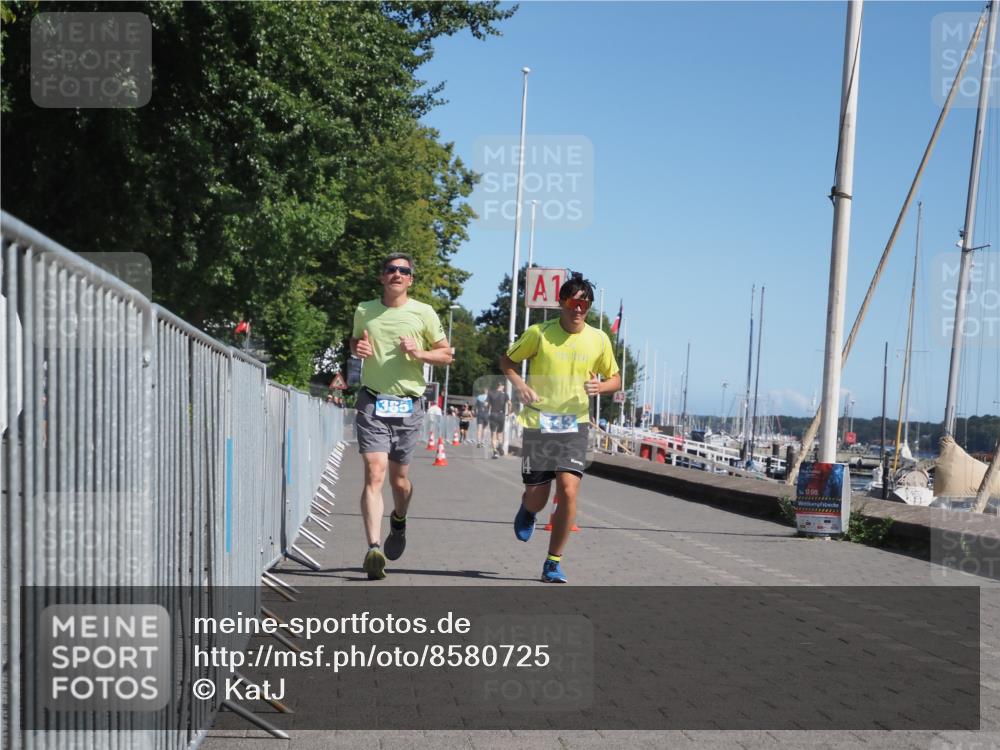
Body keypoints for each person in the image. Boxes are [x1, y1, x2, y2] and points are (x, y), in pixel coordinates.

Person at [499, 273, 620, 583]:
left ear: (589, 306)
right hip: (540, 424)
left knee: (568, 490)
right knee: (537, 497)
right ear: (561, 303)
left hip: (574, 425)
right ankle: (528, 510)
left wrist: (601, 386)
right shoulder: (539, 334)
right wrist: (522, 387)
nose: (578, 308)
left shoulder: (599, 339)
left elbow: (616, 379)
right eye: (572, 301)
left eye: (584, 303)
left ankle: (553, 562)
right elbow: (507, 362)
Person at [350, 252, 453, 580]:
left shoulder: (423, 312)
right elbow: (355, 341)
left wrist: (419, 352)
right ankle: (373, 549)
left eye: (403, 271)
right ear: (382, 277)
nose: (396, 274)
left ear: (410, 279)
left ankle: (399, 519)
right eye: (391, 270)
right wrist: (357, 348)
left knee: (399, 481)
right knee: (375, 473)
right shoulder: (364, 310)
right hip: (372, 402)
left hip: (408, 405)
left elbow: (447, 353)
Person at [487, 381, 510, 459]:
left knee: (493, 434)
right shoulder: (505, 395)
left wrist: (487, 411)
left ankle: (495, 452)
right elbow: (510, 404)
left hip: (493, 414)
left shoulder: (490, 393)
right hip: (501, 415)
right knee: (499, 433)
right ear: (502, 386)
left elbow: (487, 404)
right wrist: (508, 413)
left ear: (497, 386)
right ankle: (500, 445)